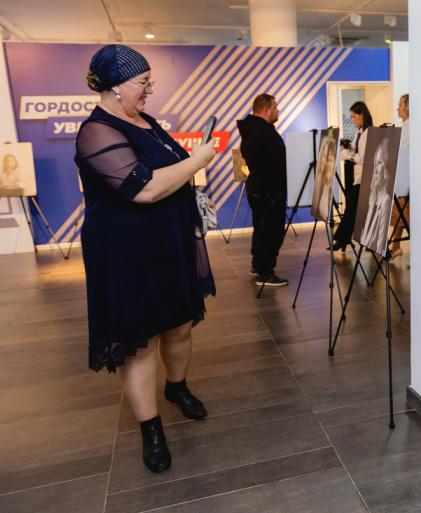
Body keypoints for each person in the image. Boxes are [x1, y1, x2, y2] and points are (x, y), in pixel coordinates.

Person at [75, 44, 217, 474]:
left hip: (168, 244)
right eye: (143, 83)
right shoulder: (96, 132)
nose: (149, 90)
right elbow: (144, 188)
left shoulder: (147, 122)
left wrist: (190, 176)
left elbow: (168, 173)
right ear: (116, 86)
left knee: (179, 326)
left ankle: (177, 388)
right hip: (127, 253)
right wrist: (198, 161)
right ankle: (151, 429)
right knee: (141, 342)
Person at [237, 94, 289, 287]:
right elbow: (276, 161)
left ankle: (258, 265)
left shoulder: (251, 130)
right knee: (271, 232)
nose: (278, 110)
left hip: (258, 188)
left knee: (261, 229)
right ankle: (266, 273)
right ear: (266, 110)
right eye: (275, 107)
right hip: (269, 191)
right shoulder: (264, 132)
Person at [332, 101, 373, 251]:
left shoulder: (369, 133)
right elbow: (356, 152)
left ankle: (342, 240)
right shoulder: (359, 132)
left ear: (362, 115)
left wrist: (348, 155)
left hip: (364, 177)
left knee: (352, 210)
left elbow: (363, 157)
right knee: (353, 209)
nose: (352, 120)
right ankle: (343, 240)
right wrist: (347, 151)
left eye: (354, 116)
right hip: (356, 175)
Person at [360, 138, 393, 252]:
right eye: (375, 164)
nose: (375, 170)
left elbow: (379, 247)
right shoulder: (372, 201)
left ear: (386, 168)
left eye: (379, 163)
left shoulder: (385, 202)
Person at [389, 94, 409, 258]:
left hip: (406, 180)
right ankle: (395, 246)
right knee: (399, 212)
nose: (398, 108)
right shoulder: (405, 127)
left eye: (400, 105)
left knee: (403, 213)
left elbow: (403, 153)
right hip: (402, 178)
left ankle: (396, 246)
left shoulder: (410, 128)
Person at [312, 128, 337, 223]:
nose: (326, 162)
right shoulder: (318, 180)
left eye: (329, 159)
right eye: (323, 156)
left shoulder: (328, 184)